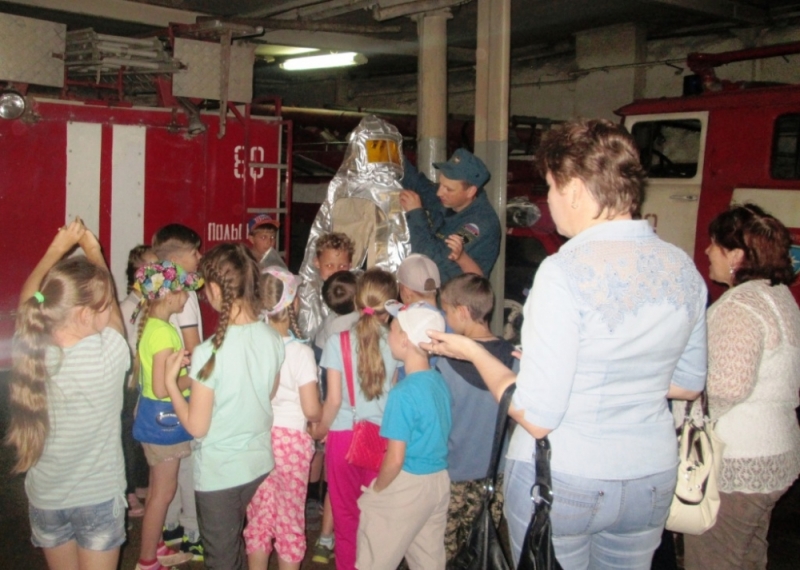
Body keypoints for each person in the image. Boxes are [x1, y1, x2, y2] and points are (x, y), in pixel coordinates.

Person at [422, 119, 708, 570]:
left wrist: (473, 352)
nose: (550, 200)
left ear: (573, 189)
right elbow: (689, 384)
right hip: (650, 477)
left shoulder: (564, 271)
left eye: (551, 187)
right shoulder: (682, 267)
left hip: (566, 478)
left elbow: (536, 416)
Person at [6, 218, 130, 570]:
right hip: (97, 499)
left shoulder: (32, 349)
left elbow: (31, 300)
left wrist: (56, 250)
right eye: (103, 304)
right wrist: (93, 249)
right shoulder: (108, 356)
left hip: (46, 500)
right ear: (85, 314)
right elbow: (116, 315)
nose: (110, 307)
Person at [683, 205, 800, 570]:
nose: (707, 251)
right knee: (748, 554)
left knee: (714, 559)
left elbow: (727, 388)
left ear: (736, 255)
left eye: (714, 244)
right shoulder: (779, 295)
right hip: (776, 454)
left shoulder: (740, 305)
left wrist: (686, 410)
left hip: (738, 460)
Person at [163, 243, 285, 570]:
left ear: (216, 289)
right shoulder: (272, 338)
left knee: (222, 559)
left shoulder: (208, 352)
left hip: (220, 474)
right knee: (233, 550)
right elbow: (270, 391)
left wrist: (172, 384)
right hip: (257, 464)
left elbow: (197, 427)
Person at [309, 268, 400, 570]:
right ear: (391, 305)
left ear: (358, 300)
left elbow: (333, 400)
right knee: (377, 518)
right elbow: (395, 395)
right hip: (382, 440)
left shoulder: (338, 342)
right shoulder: (396, 343)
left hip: (343, 438)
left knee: (346, 518)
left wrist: (319, 429)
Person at [356, 301, 451, 570]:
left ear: (405, 340)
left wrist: (377, 490)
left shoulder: (402, 393)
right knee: (428, 561)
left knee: (374, 560)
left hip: (408, 483)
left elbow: (395, 458)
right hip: (437, 480)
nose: (388, 334)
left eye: (394, 329)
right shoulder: (438, 381)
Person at [245, 266, 322, 570]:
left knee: (259, 517)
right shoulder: (301, 353)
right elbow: (311, 409)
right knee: (290, 519)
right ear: (293, 303)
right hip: (291, 442)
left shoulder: (252, 346)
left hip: (258, 437)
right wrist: (322, 414)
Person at [437, 274, 518, 561]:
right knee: (482, 549)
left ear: (461, 312)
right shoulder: (513, 358)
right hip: (496, 473)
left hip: (454, 471)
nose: (446, 319)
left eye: (447, 312)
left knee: (444, 551)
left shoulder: (446, 362)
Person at [132, 260, 203, 570]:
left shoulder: (155, 326)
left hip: (153, 418)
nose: (187, 297)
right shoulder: (163, 333)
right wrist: (196, 378)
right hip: (164, 421)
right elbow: (163, 388)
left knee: (156, 490)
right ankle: (147, 560)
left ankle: (155, 545)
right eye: (184, 290)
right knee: (164, 492)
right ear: (168, 294)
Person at [152, 223, 204, 558]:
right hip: (183, 388)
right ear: (177, 257)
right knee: (188, 464)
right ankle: (193, 533)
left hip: (160, 394)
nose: (199, 256)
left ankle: (169, 527)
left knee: (166, 467)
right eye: (195, 251)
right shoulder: (184, 292)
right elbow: (194, 346)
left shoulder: (155, 286)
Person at [310, 269, 360, 565]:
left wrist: (321, 421)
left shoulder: (326, 329)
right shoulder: (366, 325)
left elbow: (323, 380)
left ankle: (327, 538)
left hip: (336, 420)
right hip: (364, 422)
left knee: (337, 490)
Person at [400, 148, 501, 282]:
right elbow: (419, 184)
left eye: (448, 189)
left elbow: (432, 260)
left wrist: (415, 214)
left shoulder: (478, 225)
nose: (439, 192)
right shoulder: (452, 200)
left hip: (454, 292)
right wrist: (393, 154)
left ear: (470, 191)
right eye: (441, 184)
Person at [119, 244, 159, 518]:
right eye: (152, 266)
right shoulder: (128, 308)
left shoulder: (150, 305)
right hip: (130, 382)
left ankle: (140, 483)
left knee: (140, 434)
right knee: (128, 434)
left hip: (145, 380)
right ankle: (129, 490)